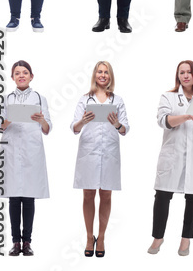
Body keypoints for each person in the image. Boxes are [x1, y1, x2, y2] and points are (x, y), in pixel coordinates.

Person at [147, 60, 193, 257]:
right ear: (177, 76)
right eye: (182, 72)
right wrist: (186, 117)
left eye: (189, 72)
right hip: (173, 154)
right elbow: (163, 121)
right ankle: (158, 237)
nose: (185, 75)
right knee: (162, 196)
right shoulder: (168, 97)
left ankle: (185, 239)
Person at [71, 61, 129, 258]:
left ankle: (101, 237)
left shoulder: (118, 100)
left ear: (110, 76)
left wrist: (117, 124)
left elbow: (125, 130)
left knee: (106, 195)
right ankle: (89, 237)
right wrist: (83, 121)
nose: (102, 75)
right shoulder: (85, 99)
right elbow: (74, 128)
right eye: (99, 72)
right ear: (94, 75)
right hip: (89, 151)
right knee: (88, 194)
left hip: (110, 152)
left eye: (106, 72)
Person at [1, 61, 51, 256]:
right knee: (14, 198)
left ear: (31, 76)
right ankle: (15, 242)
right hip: (12, 151)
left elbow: (47, 129)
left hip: (32, 152)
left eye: (25, 72)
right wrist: (9, 119)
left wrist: (41, 120)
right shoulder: (6, 99)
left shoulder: (40, 98)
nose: (21, 76)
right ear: (12, 77)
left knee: (29, 199)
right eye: (17, 73)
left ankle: (27, 242)